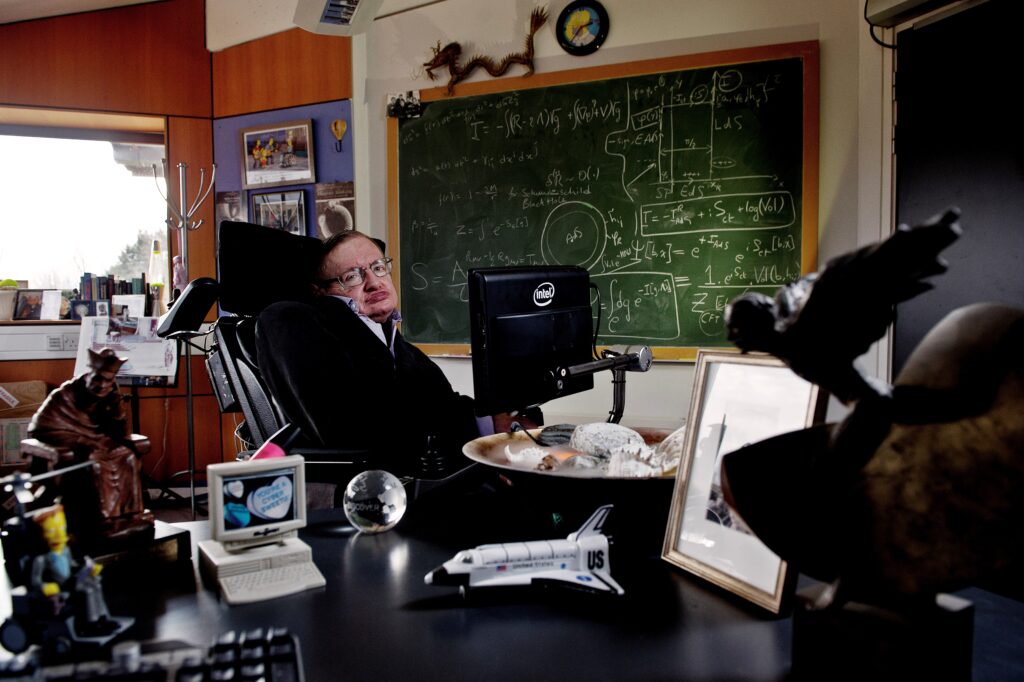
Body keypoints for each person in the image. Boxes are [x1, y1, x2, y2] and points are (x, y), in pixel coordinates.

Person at [256, 231, 486, 475]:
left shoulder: (399, 346)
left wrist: (496, 419)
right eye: (352, 276)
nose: (375, 282)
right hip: (373, 487)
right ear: (320, 291)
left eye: (378, 267)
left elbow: (444, 405)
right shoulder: (292, 323)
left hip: (430, 472)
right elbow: (353, 427)